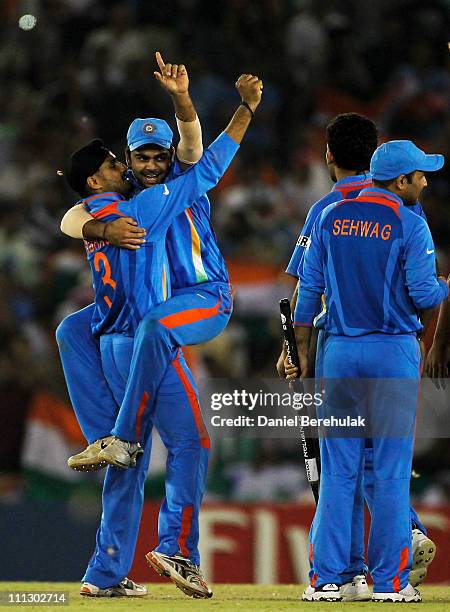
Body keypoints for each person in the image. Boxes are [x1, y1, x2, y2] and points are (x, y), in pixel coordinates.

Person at [58, 73, 263, 598]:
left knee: (128, 458)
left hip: (143, 328)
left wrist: (194, 101)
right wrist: (246, 110)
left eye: (158, 156)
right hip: (147, 335)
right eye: (139, 158)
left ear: (168, 156)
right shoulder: (141, 203)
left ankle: (104, 572)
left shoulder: (130, 198)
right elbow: (210, 160)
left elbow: (197, 148)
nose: (150, 165)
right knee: (189, 442)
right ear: (126, 162)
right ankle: (176, 548)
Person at [279, 113, 436, 596]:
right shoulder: (410, 221)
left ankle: (329, 580)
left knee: (339, 470)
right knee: (388, 472)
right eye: (420, 175)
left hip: (339, 352)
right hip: (391, 352)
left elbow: (307, 294)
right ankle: (390, 582)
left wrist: (298, 352)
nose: (425, 182)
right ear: (399, 178)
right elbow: (425, 294)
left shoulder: (327, 213)